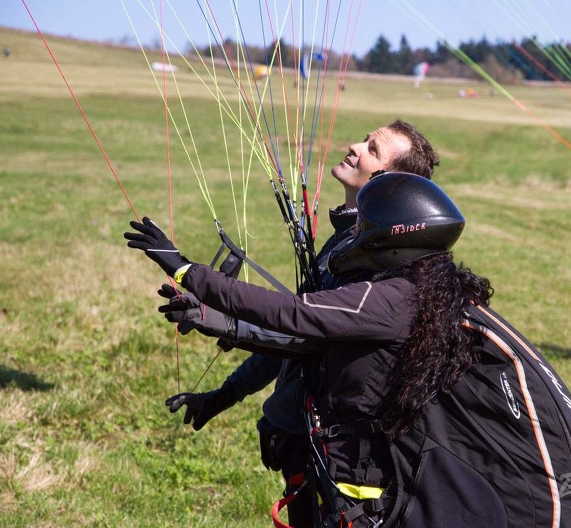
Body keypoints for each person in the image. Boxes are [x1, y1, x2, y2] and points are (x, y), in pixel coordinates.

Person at [125, 172, 571, 527]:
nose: (355, 231)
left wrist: (187, 269)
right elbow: (309, 344)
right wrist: (218, 344)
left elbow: (293, 316)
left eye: (364, 225)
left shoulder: (391, 297)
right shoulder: (428, 293)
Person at [157, 120, 439, 527]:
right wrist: (224, 395)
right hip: (303, 442)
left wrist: (217, 317)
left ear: (389, 182)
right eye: (364, 138)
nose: (354, 146)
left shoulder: (374, 262)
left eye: (372, 149)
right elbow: (296, 335)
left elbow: (300, 329)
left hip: (336, 456)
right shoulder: (346, 241)